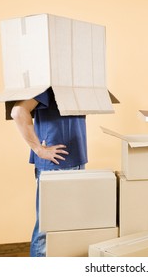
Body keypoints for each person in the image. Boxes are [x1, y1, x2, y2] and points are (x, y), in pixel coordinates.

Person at [10, 87, 87, 257]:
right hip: (56, 166)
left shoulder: (78, 84)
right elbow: (18, 111)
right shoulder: (48, 84)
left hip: (76, 161)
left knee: (66, 226)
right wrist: (40, 149)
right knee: (46, 228)